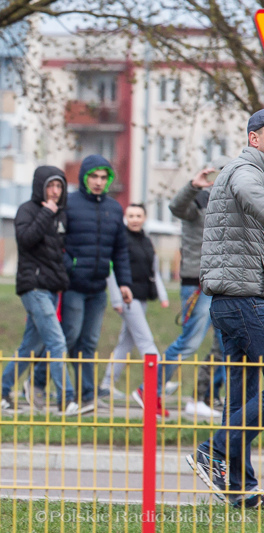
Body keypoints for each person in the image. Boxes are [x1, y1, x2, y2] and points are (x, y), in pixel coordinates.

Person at [186, 109, 264, 509]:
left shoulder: (243, 169)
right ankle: (214, 448)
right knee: (243, 401)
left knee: (239, 400)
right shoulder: (244, 170)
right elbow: (253, 196)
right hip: (245, 299)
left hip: (231, 300)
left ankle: (239, 487)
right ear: (255, 138)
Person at [34, 155, 133, 412]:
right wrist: (70, 267)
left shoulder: (114, 208)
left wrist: (124, 283)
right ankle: (39, 382)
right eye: (94, 177)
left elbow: (120, 250)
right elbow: (57, 243)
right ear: (84, 178)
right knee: (67, 338)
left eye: (103, 177)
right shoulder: (70, 204)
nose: (98, 182)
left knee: (88, 344)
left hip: (98, 288)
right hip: (72, 286)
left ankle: (87, 395)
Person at [132, 159, 230, 418]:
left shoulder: (231, 206)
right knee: (189, 343)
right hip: (197, 286)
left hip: (222, 285)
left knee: (225, 343)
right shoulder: (197, 204)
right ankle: (148, 389)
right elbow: (176, 207)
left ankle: (208, 397)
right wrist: (192, 186)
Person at [0, 166, 79, 415]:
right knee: (57, 342)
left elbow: (62, 249)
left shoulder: (62, 213)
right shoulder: (27, 210)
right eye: (50, 186)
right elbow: (25, 239)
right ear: (40, 186)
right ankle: (67, 399)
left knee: (30, 348)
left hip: (52, 287)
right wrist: (46, 214)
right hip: (34, 287)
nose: (55, 191)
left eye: (59, 186)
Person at [99, 204, 168, 404]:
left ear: (145, 218)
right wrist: (116, 299)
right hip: (128, 298)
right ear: (125, 218)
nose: (135, 219)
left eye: (138, 215)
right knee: (145, 339)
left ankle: (106, 385)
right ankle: (158, 379)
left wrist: (163, 296)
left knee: (125, 342)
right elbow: (112, 271)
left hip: (143, 296)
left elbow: (153, 271)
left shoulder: (146, 241)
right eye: (131, 215)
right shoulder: (121, 240)